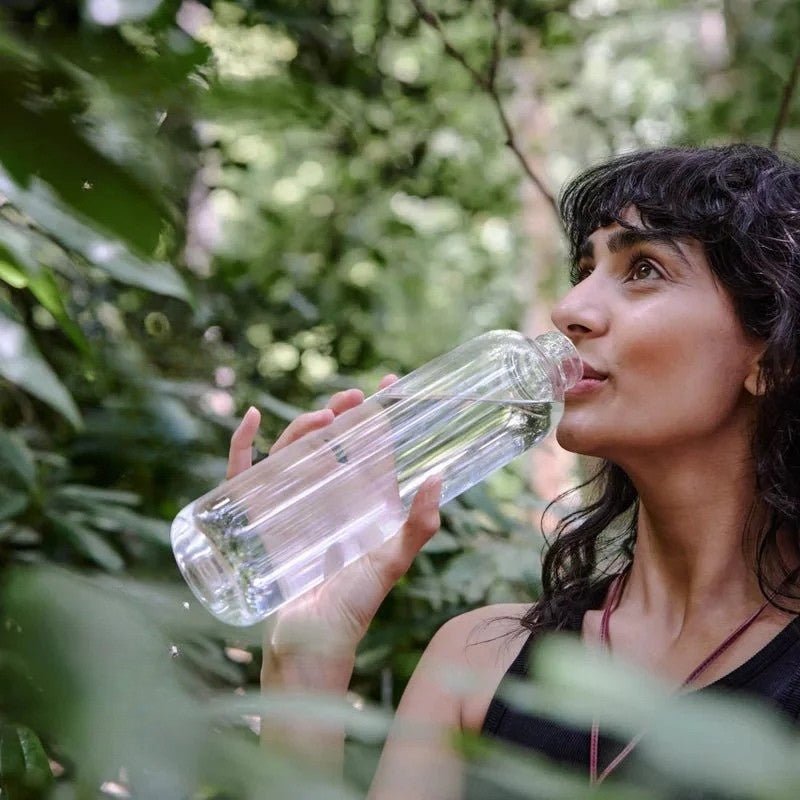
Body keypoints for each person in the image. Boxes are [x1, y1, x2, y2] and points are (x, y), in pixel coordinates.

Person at [227, 144, 800, 798]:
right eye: (585, 269)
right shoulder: (477, 662)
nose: (571, 309)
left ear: (773, 357)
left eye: (644, 268)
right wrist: (306, 655)